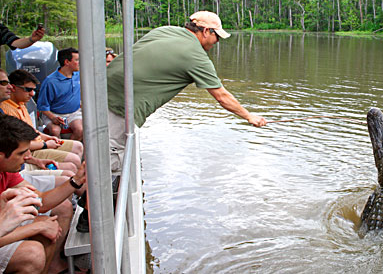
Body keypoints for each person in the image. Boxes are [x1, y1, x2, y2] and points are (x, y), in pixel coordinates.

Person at [106, 10, 267, 172]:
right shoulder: (196, 56)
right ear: (206, 31)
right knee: (111, 164)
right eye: (217, 36)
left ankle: (79, 183)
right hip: (120, 107)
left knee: (98, 153)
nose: (217, 41)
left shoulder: (164, 30)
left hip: (100, 91)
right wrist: (249, 116)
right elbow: (222, 96)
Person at [0, 114, 85, 273]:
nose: (28, 157)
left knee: (51, 221)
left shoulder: (7, 170)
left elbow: (41, 202)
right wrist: (36, 227)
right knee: (33, 253)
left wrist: (76, 180)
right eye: (21, 153)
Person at [0, 70, 82, 172]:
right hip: (30, 151)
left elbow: (31, 131)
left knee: (78, 146)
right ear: (14, 88)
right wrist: (46, 145)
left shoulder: (21, 104)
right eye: (28, 89)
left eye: (34, 90)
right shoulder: (7, 109)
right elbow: (19, 143)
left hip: (38, 144)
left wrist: (47, 137)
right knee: (72, 162)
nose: (32, 94)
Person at [38, 47, 84, 141]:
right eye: (77, 60)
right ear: (67, 62)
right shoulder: (50, 81)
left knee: (80, 130)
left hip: (73, 113)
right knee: (55, 131)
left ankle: (71, 150)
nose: (80, 62)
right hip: (53, 113)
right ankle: (60, 152)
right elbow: (42, 106)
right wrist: (53, 118)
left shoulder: (79, 75)